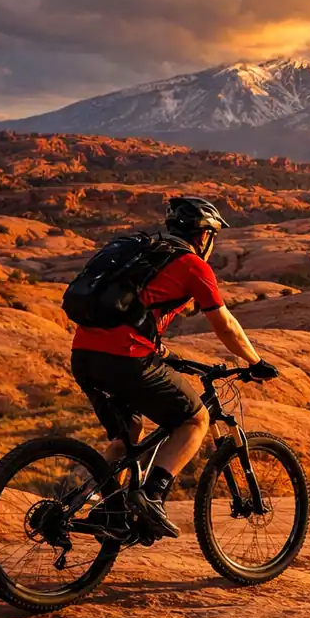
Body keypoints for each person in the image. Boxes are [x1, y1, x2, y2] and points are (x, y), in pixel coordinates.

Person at [71, 196, 277, 539]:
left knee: (127, 438)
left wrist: (162, 353)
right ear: (203, 236)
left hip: (85, 355)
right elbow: (224, 324)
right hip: (127, 358)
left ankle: (110, 511)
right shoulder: (192, 265)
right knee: (195, 419)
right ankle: (151, 497)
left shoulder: (141, 256)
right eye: (213, 237)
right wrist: (254, 362)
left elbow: (133, 314)